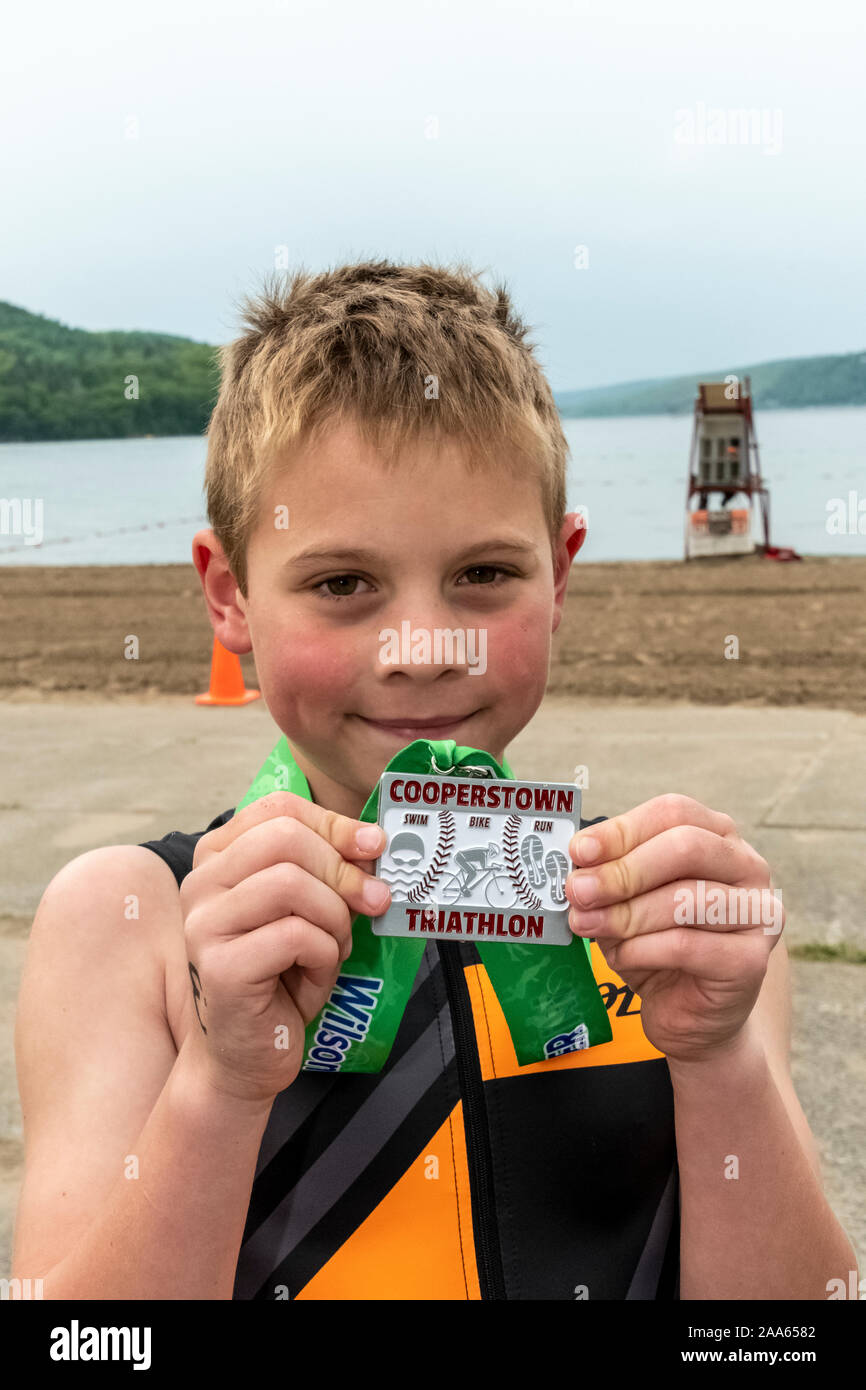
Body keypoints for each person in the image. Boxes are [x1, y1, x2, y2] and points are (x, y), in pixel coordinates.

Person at [11, 261, 857, 1301]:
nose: (421, 645)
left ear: (561, 576)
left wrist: (717, 1060)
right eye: (342, 584)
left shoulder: (682, 921)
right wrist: (221, 1084)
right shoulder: (128, 922)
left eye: (483, 575)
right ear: (229, 598)